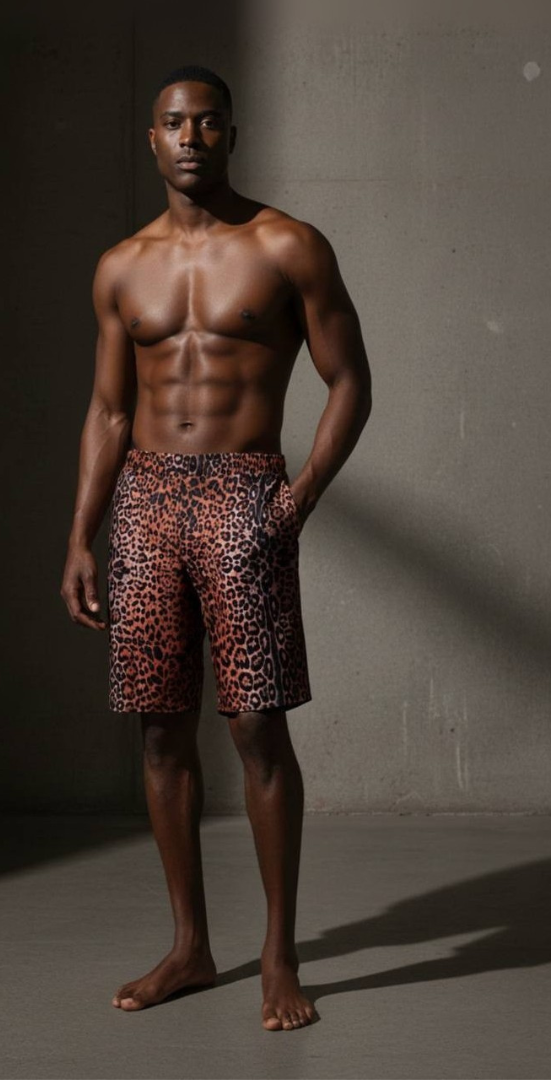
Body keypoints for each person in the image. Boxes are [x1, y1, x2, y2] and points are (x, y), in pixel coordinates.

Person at [60, 64, 372, 1032]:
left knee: (254, 728)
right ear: (150, 140)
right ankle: (192, 947)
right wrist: (81, 531)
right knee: (159, 728)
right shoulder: (121, 267)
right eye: (172, 123)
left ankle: (279, 957)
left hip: (244, 491)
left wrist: (301, 495)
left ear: (232, 134)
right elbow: (111, 408)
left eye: (206, 122)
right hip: (147, 500)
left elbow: (351, 379)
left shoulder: (288, 246)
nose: (189, 136)